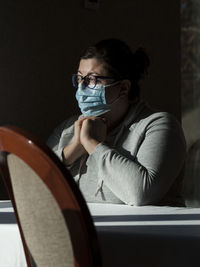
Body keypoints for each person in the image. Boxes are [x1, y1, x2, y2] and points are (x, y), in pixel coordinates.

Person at [47, 38, 186, 206]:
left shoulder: (159, 125)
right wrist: (74, 148)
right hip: (89, 232)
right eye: (79, 79)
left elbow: (141, 194)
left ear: (123, 88)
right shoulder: (69, 129)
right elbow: (31, 185)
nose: (82, 88)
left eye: (93, 80)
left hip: (150, 231)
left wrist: (92, 143)